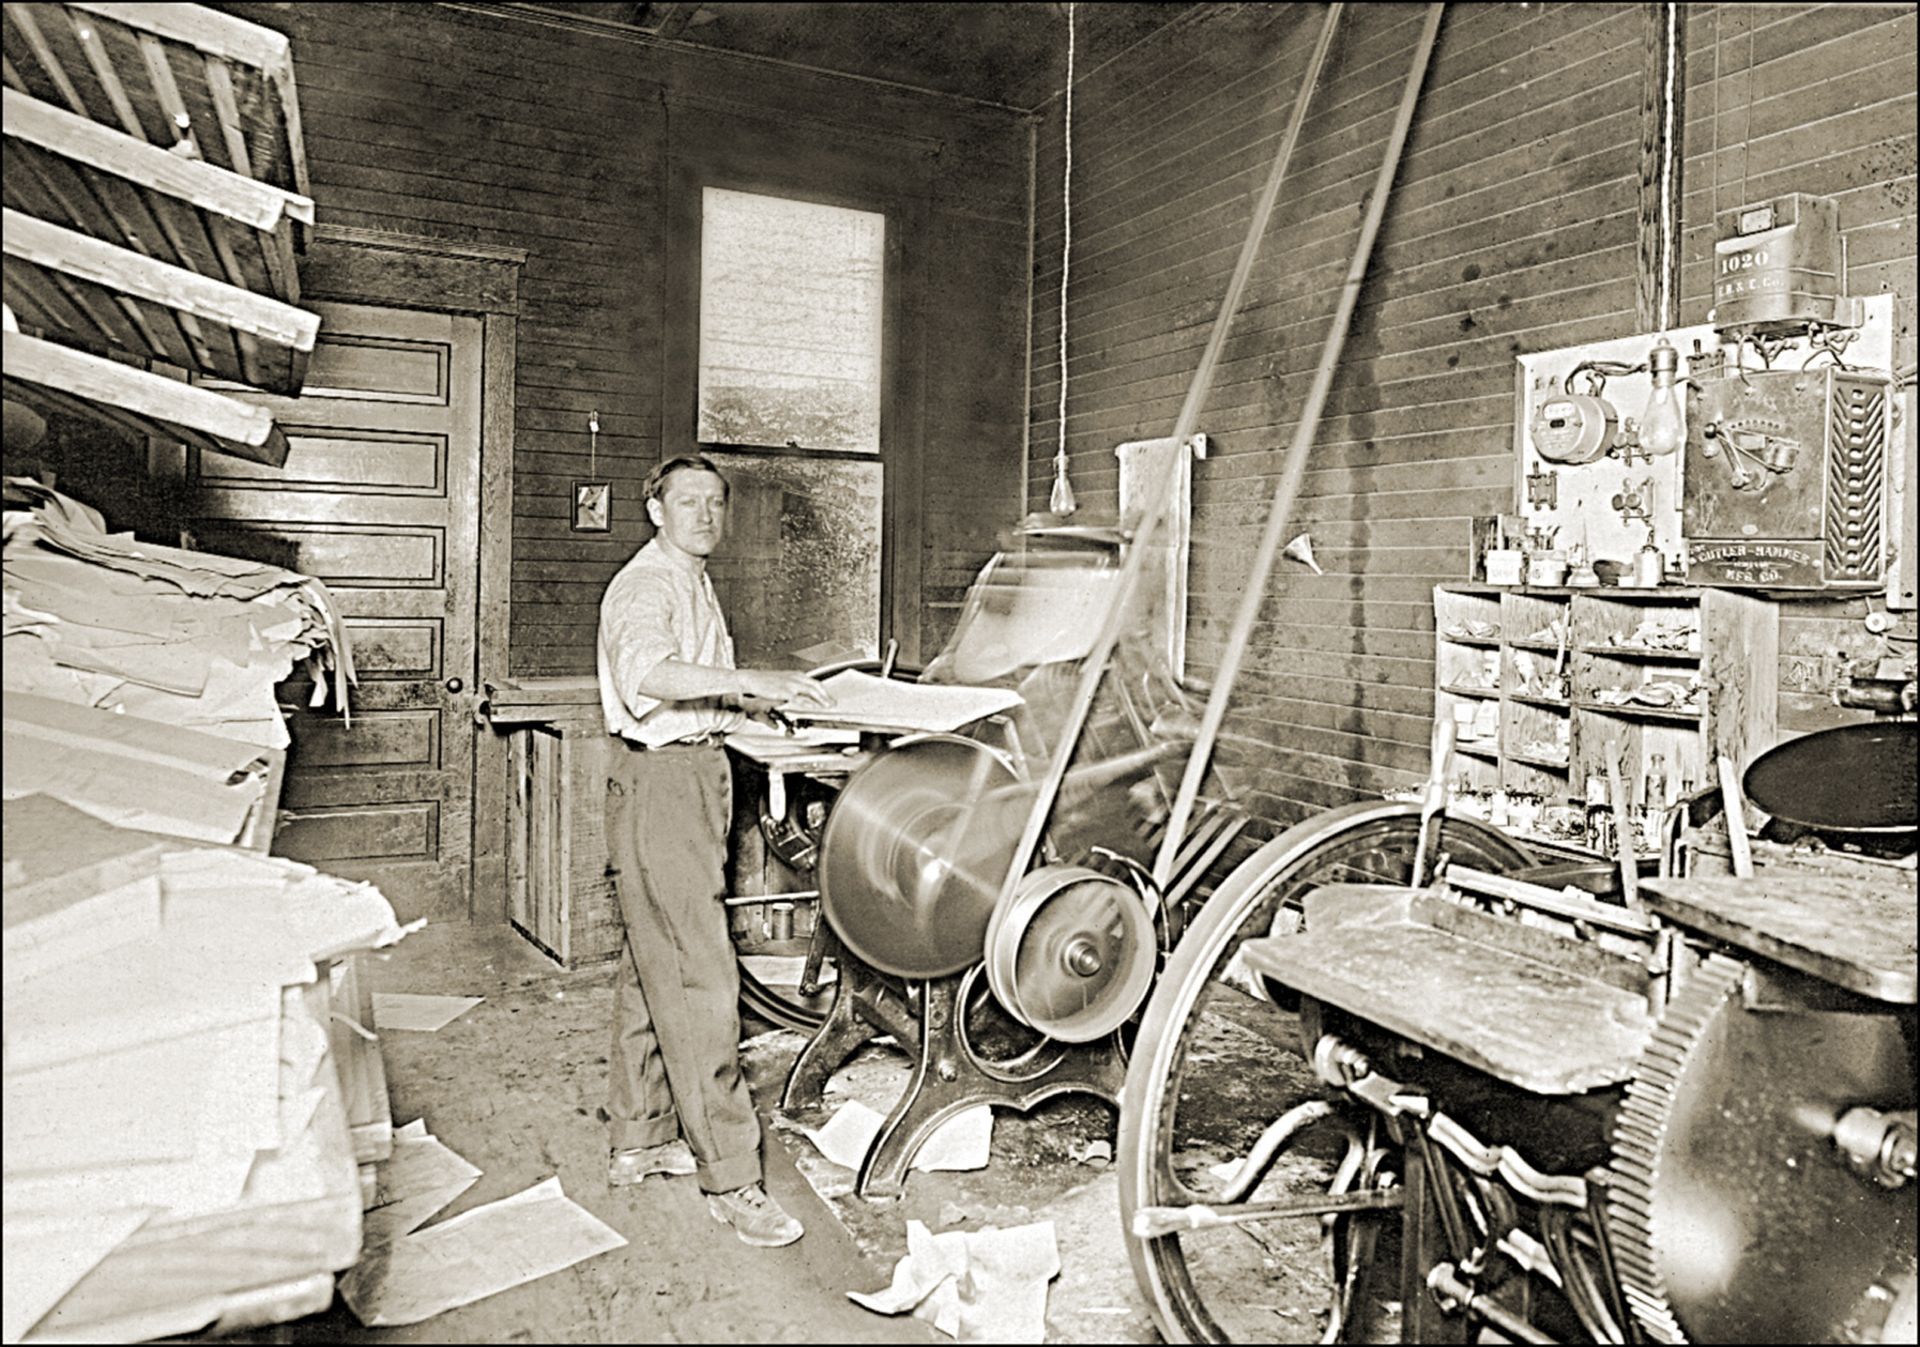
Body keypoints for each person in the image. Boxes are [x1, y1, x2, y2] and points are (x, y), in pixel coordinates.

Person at [595, 453, 833, 1247]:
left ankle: (642, 1135)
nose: (703, 513)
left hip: (688, 774)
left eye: (714, 502)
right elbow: (648, 675)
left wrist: (768, 719)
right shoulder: (648, 584)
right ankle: (733, 1176)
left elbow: (706, 698)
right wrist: (758, 681)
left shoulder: (693, 581)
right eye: (685, 500)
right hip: (664, 784)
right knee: (702, 976)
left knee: (651, 960)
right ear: (654, 508)